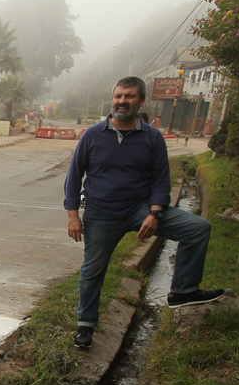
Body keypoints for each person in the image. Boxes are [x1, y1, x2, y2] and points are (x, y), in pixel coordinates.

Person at [64, 76, 223, 349]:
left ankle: (183, 291)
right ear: (112, 99)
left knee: (198, 228)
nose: (122, 101)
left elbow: (161, 179)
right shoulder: (92, 135)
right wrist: (72, 215)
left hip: (140, 209)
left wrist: (155, 213)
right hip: (101, 214)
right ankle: (85, 325)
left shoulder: (152, 137)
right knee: (92, 271)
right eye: (118, 96)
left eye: (129, 96)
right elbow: (74, 175)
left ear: (141, 101)